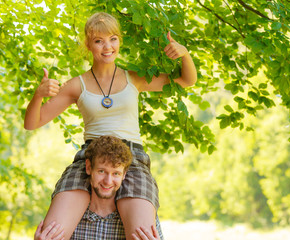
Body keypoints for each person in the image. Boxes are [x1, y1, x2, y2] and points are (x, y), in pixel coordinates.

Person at [24, 11, 197, 240]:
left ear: (119, 41)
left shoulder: (134, 78)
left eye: (112, 39)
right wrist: (38, 96)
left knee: (142, 236)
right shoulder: (77, 85)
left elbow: (186, 80)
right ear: (88, 44)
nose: (107, 46)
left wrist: (185, 55)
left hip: (132, 160)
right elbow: (32, 122)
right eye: (99, 40)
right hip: (91, 159)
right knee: (51, 235)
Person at [34, 135, 162, 240]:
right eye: (101, 171)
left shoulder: (139, 217)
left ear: (124, 174)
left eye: (116, 173)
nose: (108, 181)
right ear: (89, 168)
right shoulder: (68, 215)